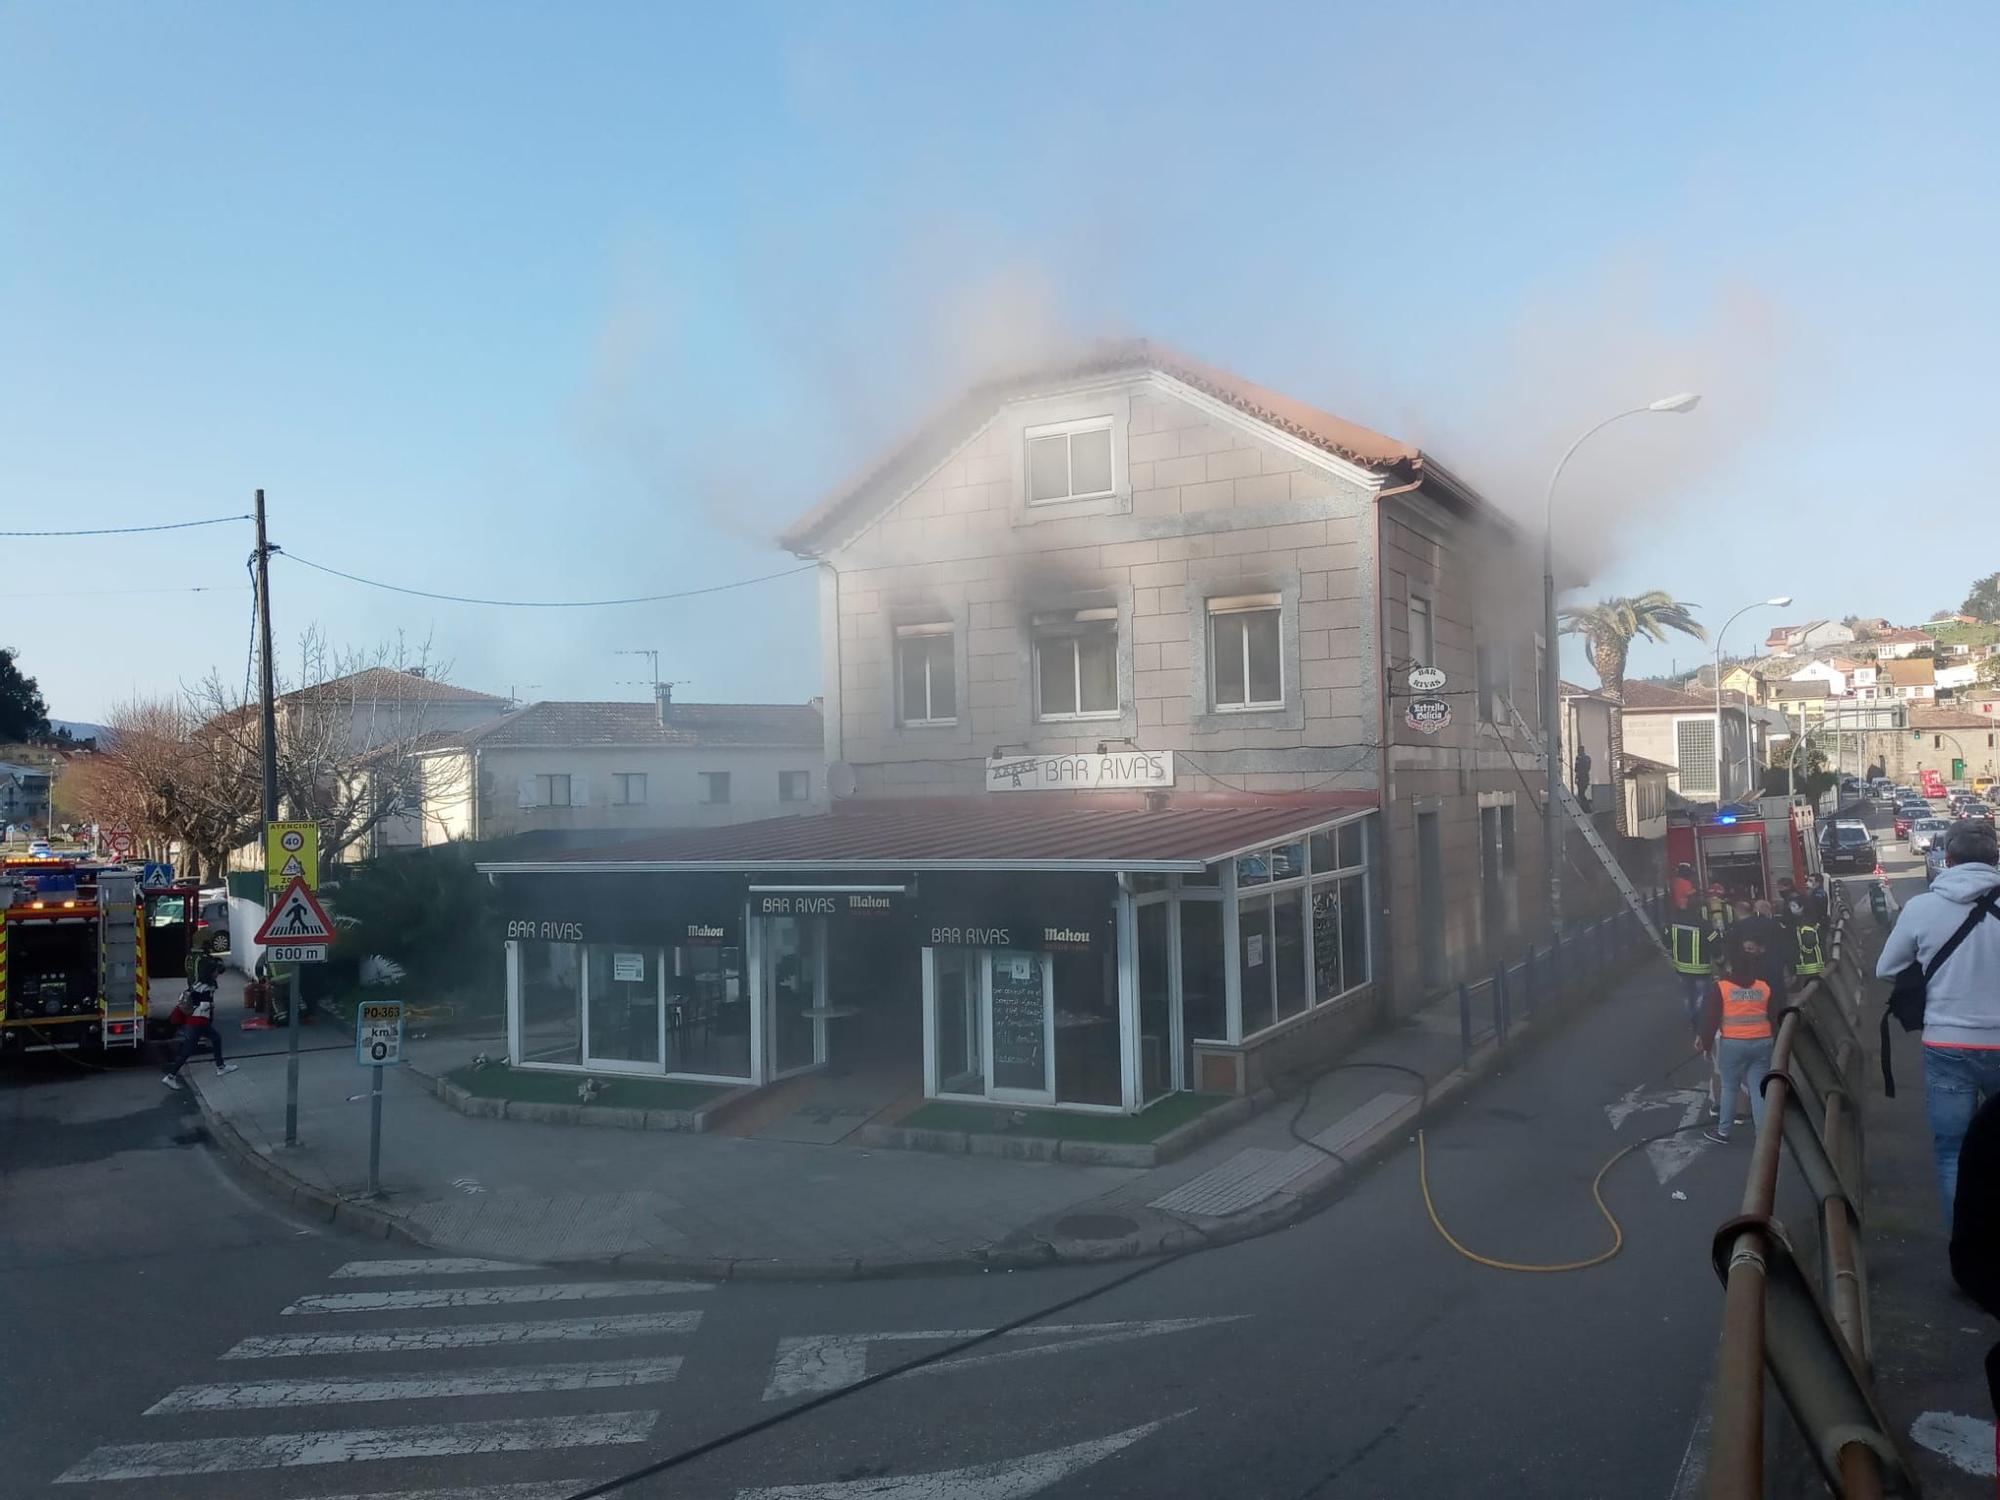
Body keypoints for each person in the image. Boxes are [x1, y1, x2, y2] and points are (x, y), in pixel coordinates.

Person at [1876, 819, 2000, 1221]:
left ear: (1947, 858)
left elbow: (1886, 967)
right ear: (1995, 858)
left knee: (1953, 1151)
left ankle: (1964, 1254)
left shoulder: (1921, 907)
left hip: (1947, 1044)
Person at [1696, 948, 1775, 1144]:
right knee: (1758, 1088)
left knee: (1729, 1087)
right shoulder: (1764, 987)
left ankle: (1723, 1132)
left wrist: (1706, 1045)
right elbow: (1773, 1015)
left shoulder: (1722, 988)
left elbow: (1711, 1020)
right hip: (1763, 1042)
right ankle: (1763, 1135)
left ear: (1731, 967)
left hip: (1733, 1044)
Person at [161, 955, 238, 1090]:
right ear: (211, 972)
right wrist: (210, 1005)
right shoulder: (207, 987)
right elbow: (203, 1005)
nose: (217, 974)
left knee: (216, 1038)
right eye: (216, 972)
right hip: (197, 1021)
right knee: (188, 1050)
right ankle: (170, 1076)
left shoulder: (197, 983)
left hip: (196, 1021)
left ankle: (221, 1066)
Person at [1665, 863, 1712, 1022]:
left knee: (1688, 994)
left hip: (1682, 968)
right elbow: (1691, 893)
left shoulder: (1676, 882)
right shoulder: (1685, 883)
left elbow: (1667, 939)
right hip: (1700, 968)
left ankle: (1691, 1018)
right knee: (1700, 994)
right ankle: (1699, 1019)